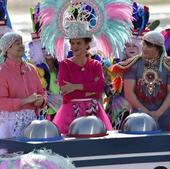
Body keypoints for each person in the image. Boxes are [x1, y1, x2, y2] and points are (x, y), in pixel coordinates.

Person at [0, 32, 46, 138]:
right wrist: (25, 100)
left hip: (32, 123)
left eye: (21, 43)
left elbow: (42, 92)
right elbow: (1, 102)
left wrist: (41, 100)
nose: (21, 46)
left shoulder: (31, 69)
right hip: (9, 126)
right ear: (7, 48)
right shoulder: (2, 71)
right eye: (17, 43)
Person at [123, 31, 170, 131]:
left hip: (165, 116)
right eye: (143, 44)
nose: (144, 48)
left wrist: (158, 113)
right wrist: (146, 113)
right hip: (138, 117)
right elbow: (128, 93)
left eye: (148, 46)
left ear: (158, 48)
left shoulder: (168, 65)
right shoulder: (132, 64)